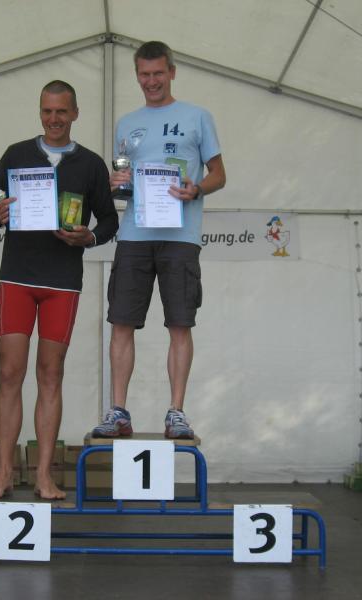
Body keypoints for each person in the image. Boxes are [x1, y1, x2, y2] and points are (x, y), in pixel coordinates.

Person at [0, 80, 118, 500]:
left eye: (61, 111)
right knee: (9, 373)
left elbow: (109, 221)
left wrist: (89, 238)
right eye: (47, 111)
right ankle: (4, 473)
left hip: (62, 283)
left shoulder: (91, 164)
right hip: (17, 278)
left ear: (75, 113)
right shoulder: (16, 154)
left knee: (51, 374)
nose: (54, 119)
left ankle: (43, 476)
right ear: (39, 112)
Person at [93, 41, 226, 440]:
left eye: (157, 73)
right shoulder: (126, 123)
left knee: (180, 324)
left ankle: (176, 413)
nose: (151, 81)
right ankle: (118, 412)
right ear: (137, 75)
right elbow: (124, 184)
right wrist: (118, 183)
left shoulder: (197, 116)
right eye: (144, 74)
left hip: (181, 236)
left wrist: (196, 188)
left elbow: (219, 174)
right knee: (121, 322)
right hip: (135, 233)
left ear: (172, 72)